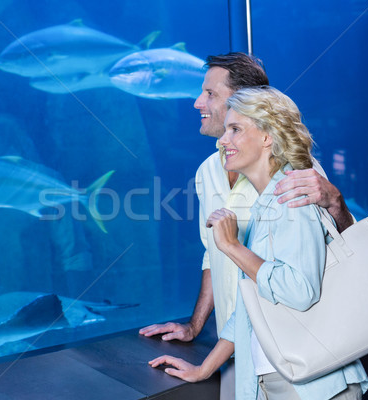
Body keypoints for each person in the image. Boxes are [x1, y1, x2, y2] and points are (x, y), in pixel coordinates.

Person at [139, 53, 353, 398]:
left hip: (301, 357)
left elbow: (327, 259)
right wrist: (196, 327)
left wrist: (335, 201)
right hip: (241, 356)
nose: (198, 102)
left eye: (210, 93)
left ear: (244, 100)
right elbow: (217, 258)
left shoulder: (296, 176)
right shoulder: (207, 171)